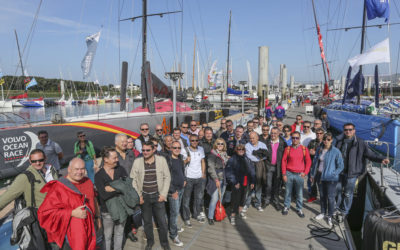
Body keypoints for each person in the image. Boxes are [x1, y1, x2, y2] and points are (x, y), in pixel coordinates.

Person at [38, 158, 99, 250]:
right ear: (69, 169)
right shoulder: (58, 187)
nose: (79, 172)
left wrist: (97, 218)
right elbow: (45, 213)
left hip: (90, 229)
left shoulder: (88, 182)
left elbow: (93, 200)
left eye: (82, 169)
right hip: (70, 237)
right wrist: (71, 213)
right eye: (76, 169)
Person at [335, 123, 389, 219]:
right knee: (337, 191)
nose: (348, 131)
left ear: (354, 131)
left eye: (350, 129)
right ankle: (336, 208)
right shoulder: (339, 141)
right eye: (346, 130)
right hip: (339, 172)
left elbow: (370, 155)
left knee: (348, 194)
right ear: (343, 131)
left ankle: (344, 211)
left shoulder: (360, 143)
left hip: (352, 173)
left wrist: (381, 159)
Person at [131, 141, 171, 250]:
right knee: (147, 222)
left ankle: (164, 242)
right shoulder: (137, 162)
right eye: (143, 150)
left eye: (148, 150)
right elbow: (133, 180)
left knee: (162, 222)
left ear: (153, 150)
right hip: (144, 197)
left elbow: (167, 177)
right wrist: (139, 195)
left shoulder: (161, 160)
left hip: (158, 196)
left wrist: (163, 194)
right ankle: (150, 241)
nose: (145, 152)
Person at [95, 147, 130, 250]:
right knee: (107, 236)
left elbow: (128, 187)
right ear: (106, 159)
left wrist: (112, 188)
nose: (117, 160)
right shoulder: (99, 175)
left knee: (119, 234)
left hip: (122, 209)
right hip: (107, 212)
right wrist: (119, 187)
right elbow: (103, 195)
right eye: (114, 158)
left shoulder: (120, 169)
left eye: (117, 157)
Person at [310, 133, 344, 227]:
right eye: (324, 139)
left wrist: (333, 173)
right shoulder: (320, 149)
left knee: (330, 197)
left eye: (328, 139)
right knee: (322, 195)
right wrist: (313, 174)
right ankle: (323, 212)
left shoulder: (336, 151)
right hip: (320, 175)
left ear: (332, 140)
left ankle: (330, 216)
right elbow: (315, 162)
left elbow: (341, 166)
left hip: (330, 178)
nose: (326, 141)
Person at [281, 131, 312, 217]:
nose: (295, 139)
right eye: (293, 138)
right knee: (288, 191)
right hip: (289, 173)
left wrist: (305, 173)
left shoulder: (304, 149)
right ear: (291, 138)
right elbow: (283, 162)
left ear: (299, 139)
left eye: (297, 138)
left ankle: (299, 208)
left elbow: (308, 162)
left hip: (299, 174)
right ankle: (286, 206)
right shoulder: (287, 149)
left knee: (299, 193)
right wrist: (284, 174)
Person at [226, 144, 255, 224]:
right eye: (239, 149)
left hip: (246, 181)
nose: (241, 151)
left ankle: (240, 211)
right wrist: (234, 182)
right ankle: (232, 215)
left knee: (243, 198)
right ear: (236, 150)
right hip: (237, 182)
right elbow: (229, 172)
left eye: (242, 149)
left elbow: (251, 170)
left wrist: (252, 181)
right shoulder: (232, 159)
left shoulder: (247, 158)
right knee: (235, 199)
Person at [182, 134, 207, 227]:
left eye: (196, 140)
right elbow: (181, 163)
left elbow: (203, 161)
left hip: (199, 177)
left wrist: (203, 173)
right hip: (189, 177)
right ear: (189, 140)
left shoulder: (201, 149)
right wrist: (185, 161)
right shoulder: (185, 150)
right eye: (192, 140)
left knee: (198, 198)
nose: (195, 142)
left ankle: (196, 214)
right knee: (187, 199)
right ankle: (186, 218)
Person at [166, 141, 186, 247]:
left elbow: (182, 171)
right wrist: (172, 191)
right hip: (174, 191)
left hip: (181, 188)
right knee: (174, 213)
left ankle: (174, 227)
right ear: (171, 148)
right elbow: (166, 177)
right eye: (175, 147)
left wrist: (185, 179)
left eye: (179, 147)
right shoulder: (168, 160)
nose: (177, 149)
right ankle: (174, 235)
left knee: (176, 211)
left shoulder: (180, 158)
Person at [206, 139, 229, 225]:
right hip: (215, 179)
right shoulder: (213, 154)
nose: (220, 145)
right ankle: (210, 216)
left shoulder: (224, 154)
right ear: (215, 144)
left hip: (223, 178)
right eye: (218, 143)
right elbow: (210, 168)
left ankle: (217, 214)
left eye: (222, 144)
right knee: (214, 198)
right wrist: (216, 180)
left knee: (220, 198)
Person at [264, 127, 287, 210]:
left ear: (278, 134)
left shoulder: (283, 143)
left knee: (277, 186)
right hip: (269, 166)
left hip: (278, 167)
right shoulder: (266, 142)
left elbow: (286, 156)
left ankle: (276, 201)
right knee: (268, 185)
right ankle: (267, 200)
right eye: (272, 133)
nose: (273, 135)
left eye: (275, 133)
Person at [245, 132, 268, 211]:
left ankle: (258, 204)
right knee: (249, 185)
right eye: (250, 138)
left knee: (259, 185)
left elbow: (266, 155)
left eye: (253, 138)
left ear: (257, 137)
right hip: (250, 166)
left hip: (260, 166)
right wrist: (259, 157)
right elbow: (249, 156)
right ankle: (247, 204)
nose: (251, 140)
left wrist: (259, 157)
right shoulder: (247, 145)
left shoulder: (262, 145)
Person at [307, 128, 325, 203]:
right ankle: (313, 196)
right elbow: (307, 151)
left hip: (322, 166)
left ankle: (322, 198)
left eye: (320, 133)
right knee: (312, 182)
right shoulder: (312, 142)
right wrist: (310, 152)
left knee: (321, 184)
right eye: (317, 133)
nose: (319, 135)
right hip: (313, 165)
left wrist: (316, 153)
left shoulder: (326, 142)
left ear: (323, 134)